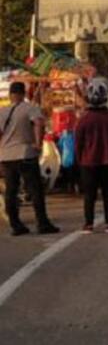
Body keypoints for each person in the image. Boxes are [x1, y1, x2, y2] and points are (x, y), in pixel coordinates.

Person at [1, 81, 59, 236]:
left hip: (6, 156)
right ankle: (42, 222)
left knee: (11, 191)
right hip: (25, 153)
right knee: (35, 189)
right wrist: (38, 143)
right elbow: (39, 123)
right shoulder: (30, 107)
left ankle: (15, 224)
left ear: (10, 94)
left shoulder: (2, 111)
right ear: (24, 93)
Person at [74, 79, 108, 233]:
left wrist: (79, 160)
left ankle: (88, 224)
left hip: (88, 162)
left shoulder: (83, 120)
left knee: (89, 194)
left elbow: (78, 142)